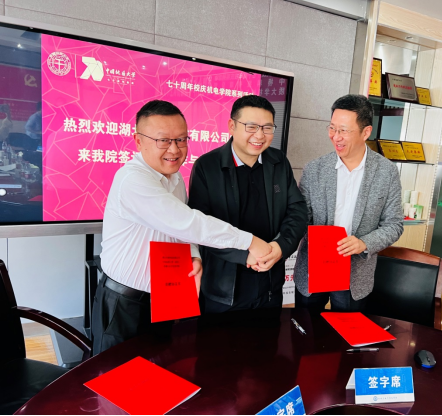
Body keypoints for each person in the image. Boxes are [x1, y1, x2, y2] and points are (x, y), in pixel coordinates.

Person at [93, 100, 272, 355]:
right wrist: (251, 242)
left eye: (181, 140)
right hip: (125, 304)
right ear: (138, 141)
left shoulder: (174, 178)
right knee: (118, 375)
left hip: (164, 299)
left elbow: (178, 229)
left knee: (161, 370)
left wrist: (193, 254)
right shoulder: (132, 179)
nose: (175, 149)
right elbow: (188, 222)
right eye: (163, 140)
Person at [188, 95, 308, 313]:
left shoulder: (279, 162)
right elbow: (201, 225)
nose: (260, 135)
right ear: (231, 126)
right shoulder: (207, 166)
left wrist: (280, 247)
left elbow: (297, 210)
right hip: (224, 290)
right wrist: (245, 256)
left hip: (270, 283)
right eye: (251, 127)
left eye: (267, 127)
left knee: (268, 335)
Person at [293, 94, 404, 312]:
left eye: (344, 130)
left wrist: (364, 243)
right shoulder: (314, 169)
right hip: (313, 269)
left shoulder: (387, 172)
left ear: (366, 132)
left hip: (355, 274)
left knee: (346, 331)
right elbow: (300, 218)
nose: (336, 137)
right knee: (305, 328)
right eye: (332, 128)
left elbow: (394, 224)